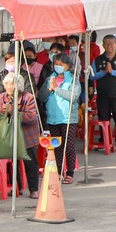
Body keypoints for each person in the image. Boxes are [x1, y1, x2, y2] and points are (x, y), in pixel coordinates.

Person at [0, 72, 42, 198]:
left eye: (12, 84)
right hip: (9, 136)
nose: (9, 87)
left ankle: (33, 189)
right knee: (12, 163)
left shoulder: (28, 97)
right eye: (7, 84)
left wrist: (14, 112)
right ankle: (16, 187)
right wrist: (3, 114)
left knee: (30, 162)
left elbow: (31, 117)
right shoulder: (0, 98)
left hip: (27, 136)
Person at [40, 54, 80, 182]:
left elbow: (73, 96)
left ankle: (70, 172)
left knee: (69, 146)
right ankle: (58, 171)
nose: (58, 67)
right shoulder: (49, 79)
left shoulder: (73, 79)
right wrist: (50, 89)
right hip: (53, 118)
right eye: (56, 64)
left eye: (61, 65)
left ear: (68, 66)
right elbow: (41, 97)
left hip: (67, 118)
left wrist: (56, 89)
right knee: (56, 146)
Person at [92, 36, 116, 152]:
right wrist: (104, 72)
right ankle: (104, 141)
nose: (110, 46)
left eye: (112, 43)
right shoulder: (97, 60)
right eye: (107, 44)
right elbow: (92, 76)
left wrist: (112, 72)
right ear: (103, 46)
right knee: (103, 119)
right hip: (102, 94)